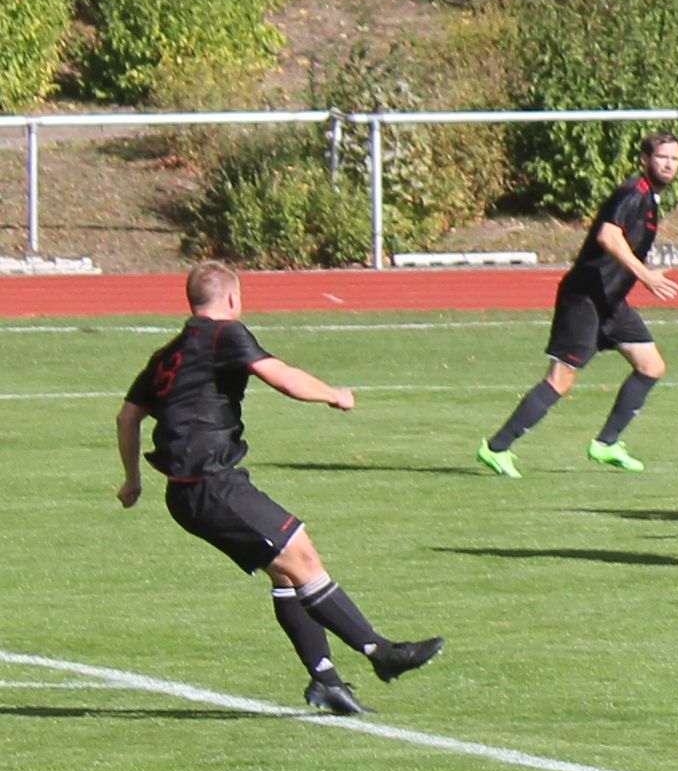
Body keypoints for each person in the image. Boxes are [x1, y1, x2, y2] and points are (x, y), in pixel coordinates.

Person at [120, 262, 440, 713]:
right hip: (211, 484)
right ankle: (380, 652)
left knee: (287, 573)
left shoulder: (167, 353)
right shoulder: (225, 335)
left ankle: (326, 681)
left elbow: (127, 416)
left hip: (188, 490)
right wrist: (335, 394)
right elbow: (282, 376)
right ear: (232, 300)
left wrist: (133, 480)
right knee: (303, 554)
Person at [478, 131, 678, 476]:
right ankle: (497, 448)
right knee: (561, 380)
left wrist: (640, 274)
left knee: (651, 366)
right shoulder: (634, 191)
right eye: (662, 157)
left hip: (611, 301)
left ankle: (605, 444)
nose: (668, 164)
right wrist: (645, 275)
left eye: (674, 159)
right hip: (585, 298)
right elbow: (608, 235)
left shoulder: (651, 199)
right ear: (645, 160)